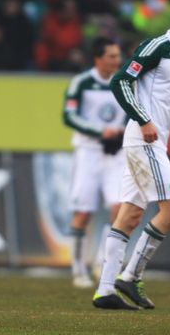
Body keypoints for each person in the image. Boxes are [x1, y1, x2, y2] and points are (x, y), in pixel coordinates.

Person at [93, 0, 170, 309]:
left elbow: (159, 100)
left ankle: (105, 291)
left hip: (147, 140)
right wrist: (144, 120)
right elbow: (121, 82)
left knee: (129, 215)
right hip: (145, 140)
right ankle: (130, 276)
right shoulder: (157, 46)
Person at [63, 37, 126, 288]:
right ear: (97, 58)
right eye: (111, 56)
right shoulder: (82, 82)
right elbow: (69, 116)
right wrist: (99, 131)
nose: (116, 60)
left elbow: (134, 110)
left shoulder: (123, 82)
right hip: (88, 152)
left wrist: (119, 132)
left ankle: (102, 261)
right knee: (83, 212)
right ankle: (78, 268)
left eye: (117, 55)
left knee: (118, 209)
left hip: (115, 154)